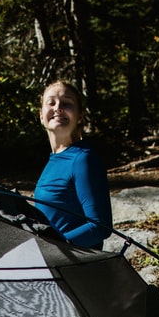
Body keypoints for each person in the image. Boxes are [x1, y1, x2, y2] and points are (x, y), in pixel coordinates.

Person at [34, 80, 112, 250]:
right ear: (41, 115)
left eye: (67, 103)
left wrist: (52, 247)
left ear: (80, 116)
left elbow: (100, 227)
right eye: (51, 102)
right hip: (54, 266)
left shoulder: (83, 159)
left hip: (76, 269)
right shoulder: (54, 160)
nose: (58, 108)